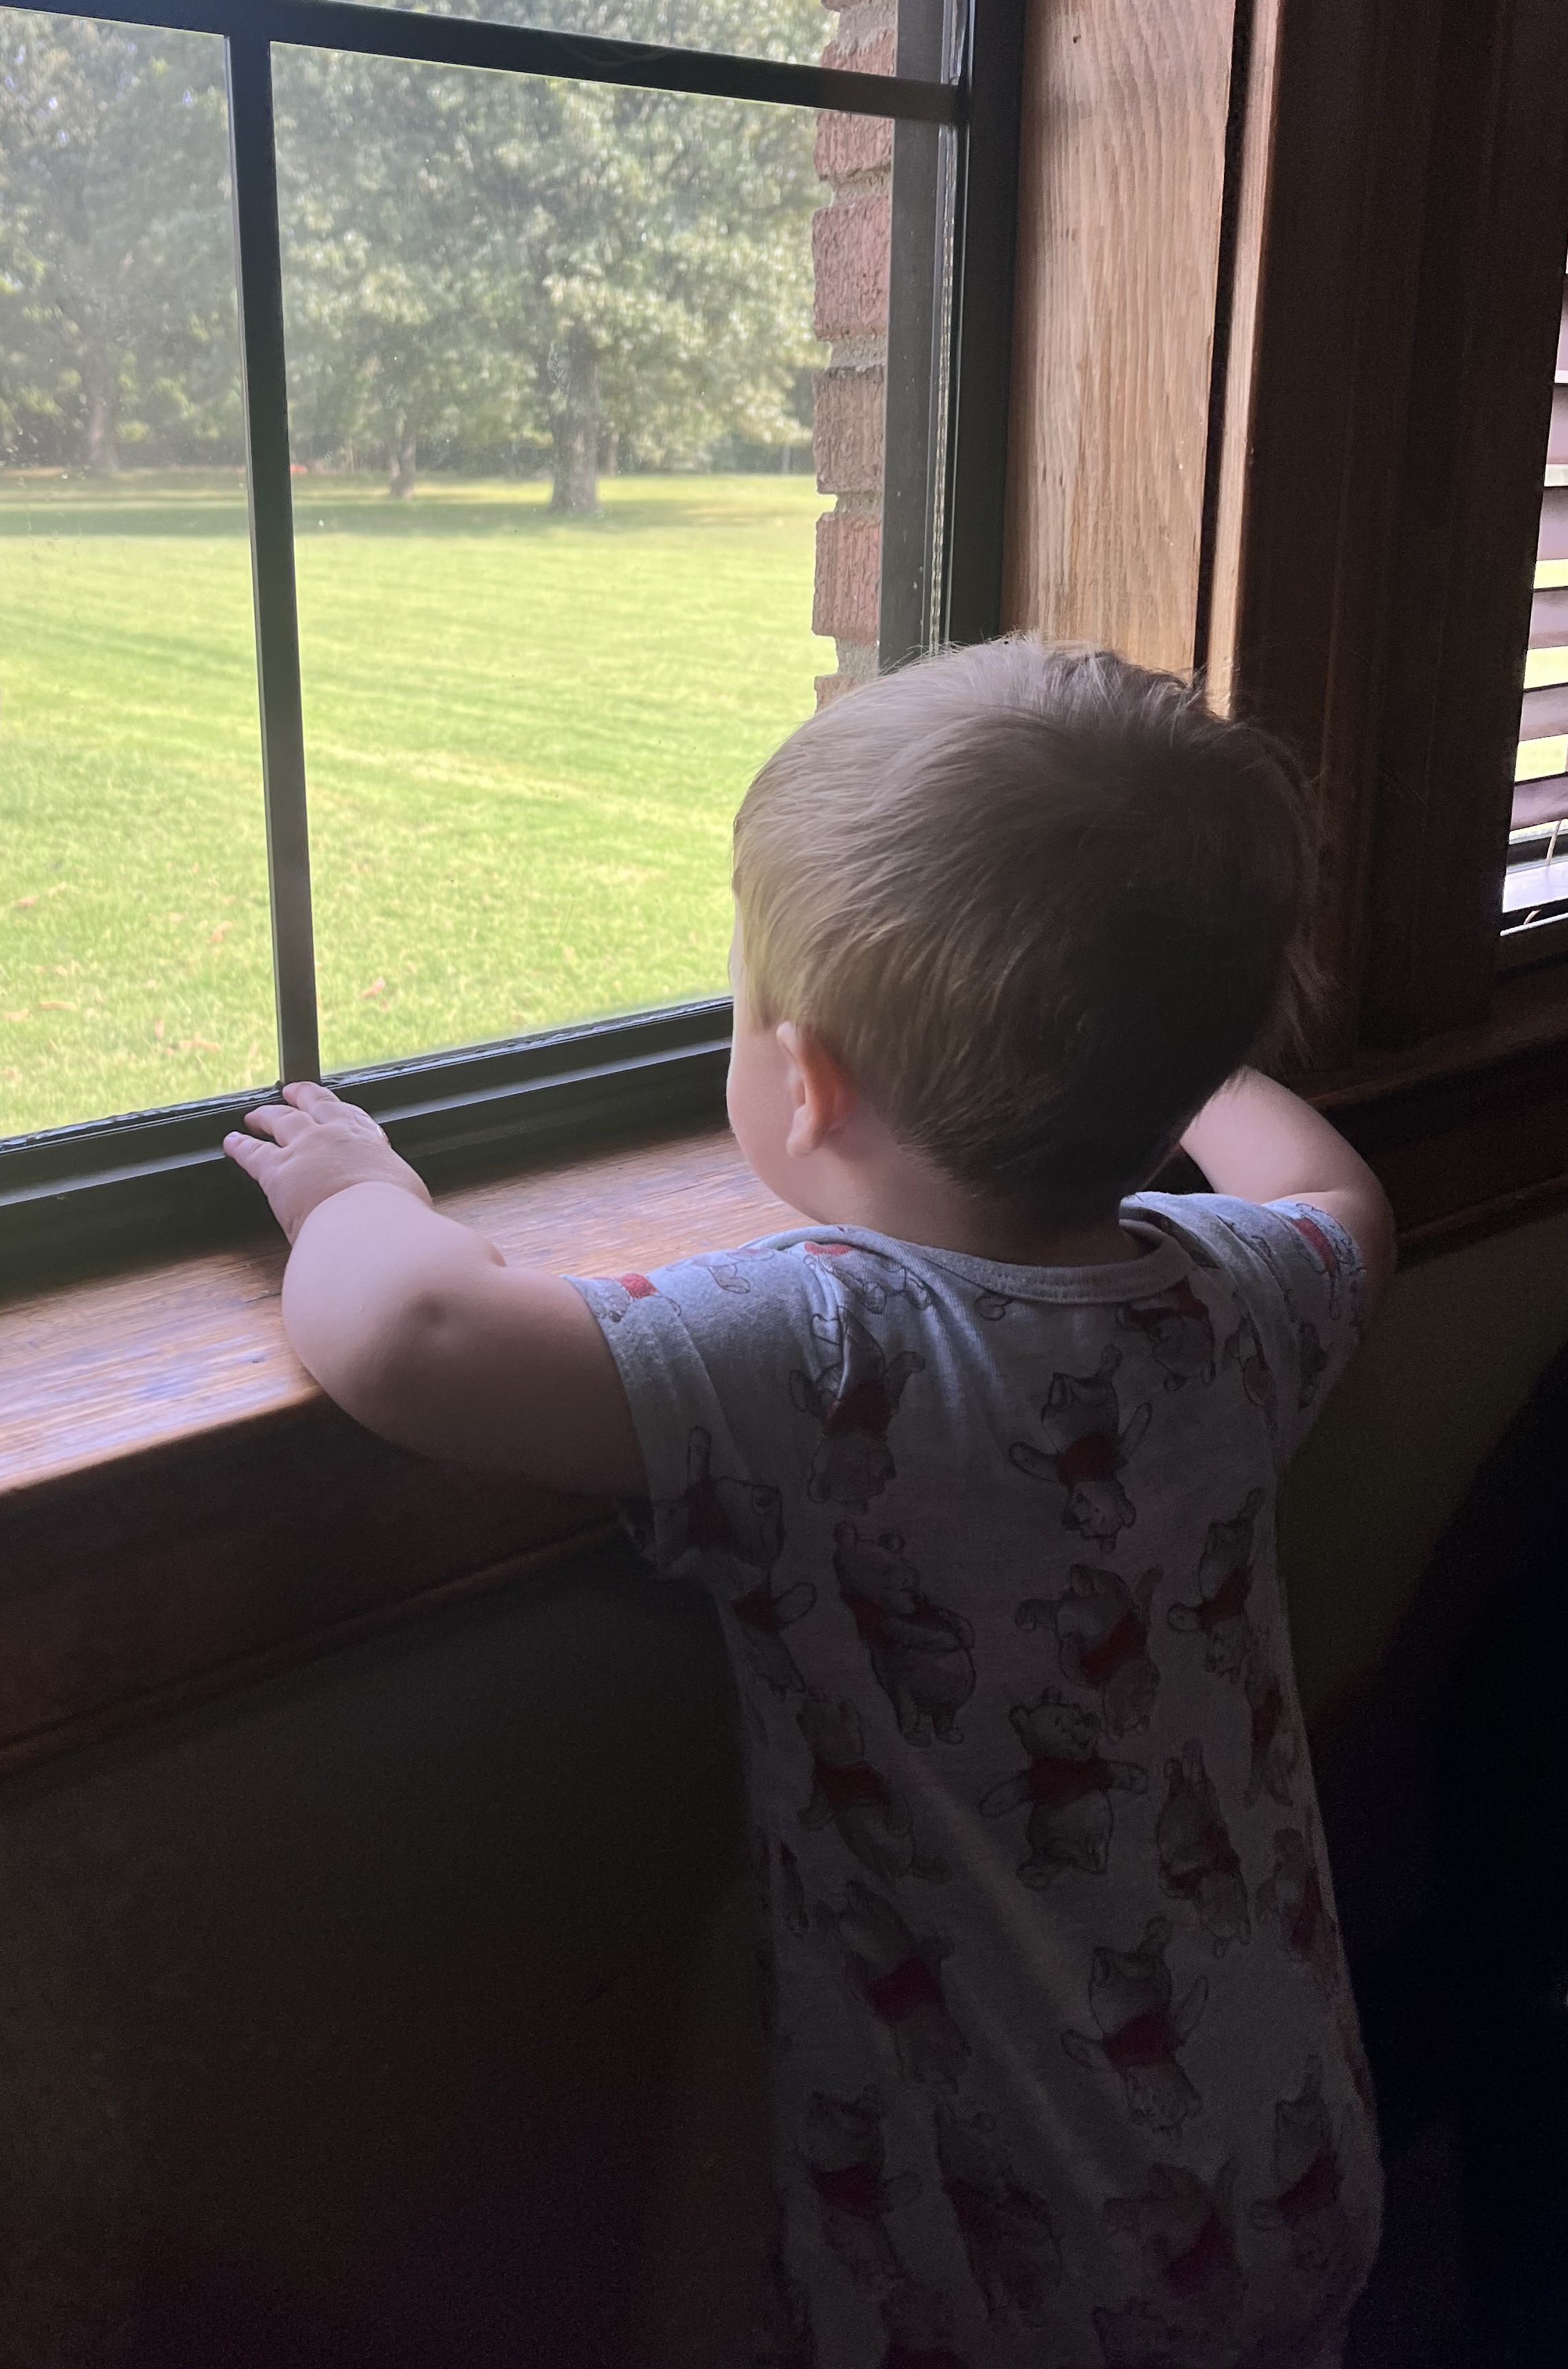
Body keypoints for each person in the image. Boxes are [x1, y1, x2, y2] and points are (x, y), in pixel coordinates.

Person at [226, 638, 1394, 2369]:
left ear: (805, 1079)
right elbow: (1333, 1186)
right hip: (1285, 2152)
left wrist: (356, 1188)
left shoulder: (825, 1349)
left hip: (1015, 2248)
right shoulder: (1250, 1295)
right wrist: (1170, 1036)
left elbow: (409, 1330)